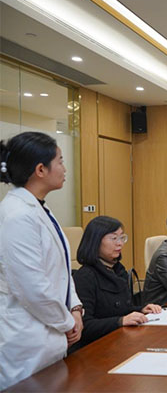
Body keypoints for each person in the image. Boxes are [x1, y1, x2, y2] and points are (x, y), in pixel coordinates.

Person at [0, 132, 83, 389]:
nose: (64, 169)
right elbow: (31, 287)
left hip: (51, 331)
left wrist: (75, 309)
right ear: (40, 170)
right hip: (28, 339)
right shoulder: (16, 215)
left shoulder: (39, 209)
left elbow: (62, 270)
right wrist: (66, 322)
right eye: (60, 161)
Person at [71, 216, 162, 352]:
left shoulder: (118, 270)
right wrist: (120, 321)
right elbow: (85, 325)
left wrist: (141, 309)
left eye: (122, 238)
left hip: (119, 341)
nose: (120, 244)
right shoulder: (85, 276)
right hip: (96, 349)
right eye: (114, 238)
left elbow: (121, 309)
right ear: (96, 241)